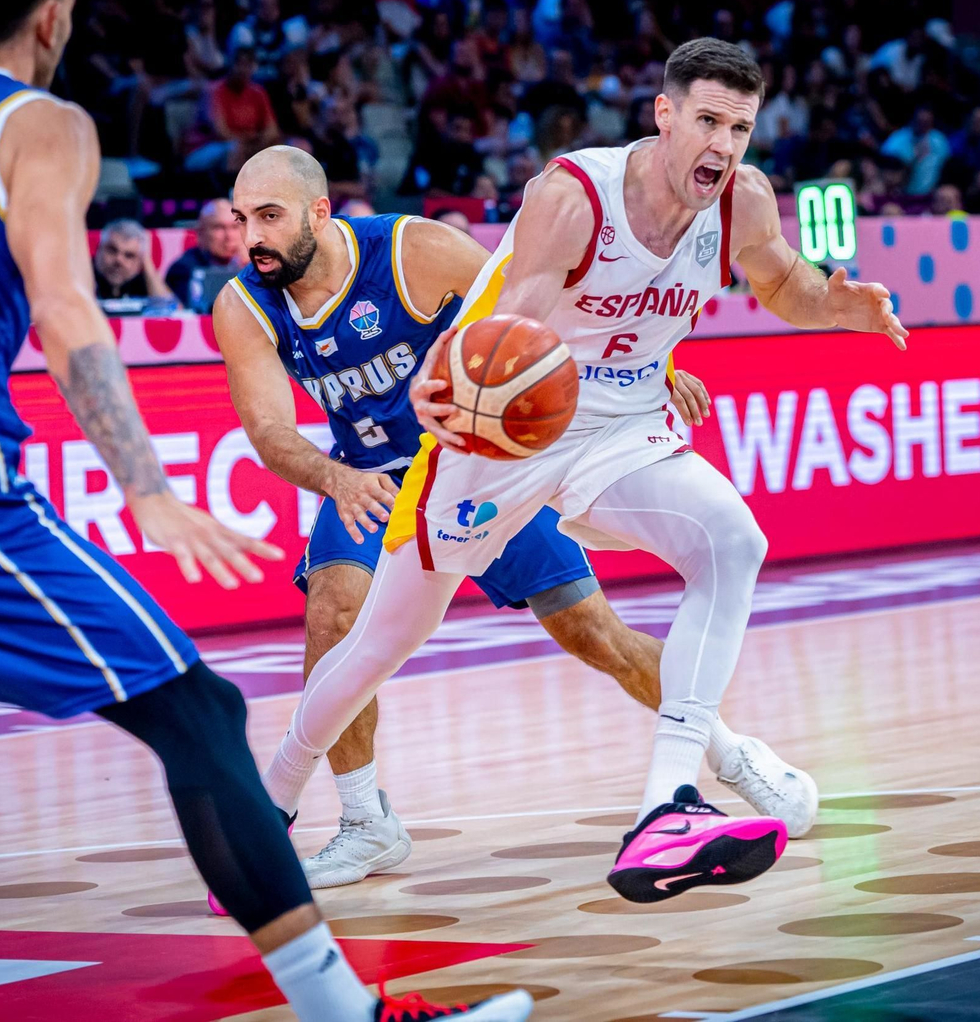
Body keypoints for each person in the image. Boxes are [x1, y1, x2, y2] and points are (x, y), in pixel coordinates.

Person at [0, 0, 529, 1020]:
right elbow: (66, 308)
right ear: (54, 13)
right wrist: (145, 484)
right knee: (199, 712)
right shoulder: (37, 123)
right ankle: (348, 1012)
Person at [261, 38, 905, 904]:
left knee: (732, 540)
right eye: (707, 120)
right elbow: (509, 319)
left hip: (622, 428)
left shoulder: (743, 203)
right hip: (506, 430)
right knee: (381, 642)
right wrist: (449, 379)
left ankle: (669, 804)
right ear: (664, 115)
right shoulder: (574, 197)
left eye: (740, 127)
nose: (722, 143)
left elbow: (783, 281)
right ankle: (273, 792)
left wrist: (839, 307)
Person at [214, 147, 814, 891]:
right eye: (242, 220)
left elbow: (550, 301)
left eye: (267, 218)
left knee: (591, 631)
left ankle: (729, 754)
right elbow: (270, 431)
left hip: (489, 457)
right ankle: (365, 823)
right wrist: (336, 478)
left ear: (318, 213)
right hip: (371, 477)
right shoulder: (242, 304)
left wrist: (649, 368)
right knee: (337, 616)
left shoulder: (413, 251)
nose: (251, 237)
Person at [165, 198, 244, 310]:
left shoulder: (250, 264)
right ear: (201, 233)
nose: (229, 236)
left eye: (235, 227)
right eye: (219, 228)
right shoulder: (184, 269)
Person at [92, 218, 172, 302]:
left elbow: (166, 307)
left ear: (140, 261)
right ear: (98, 249)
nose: (119, 260)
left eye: (129, 255)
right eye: (112, 250)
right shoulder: (84, 274)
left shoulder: (143, 281)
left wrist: (148, 267)